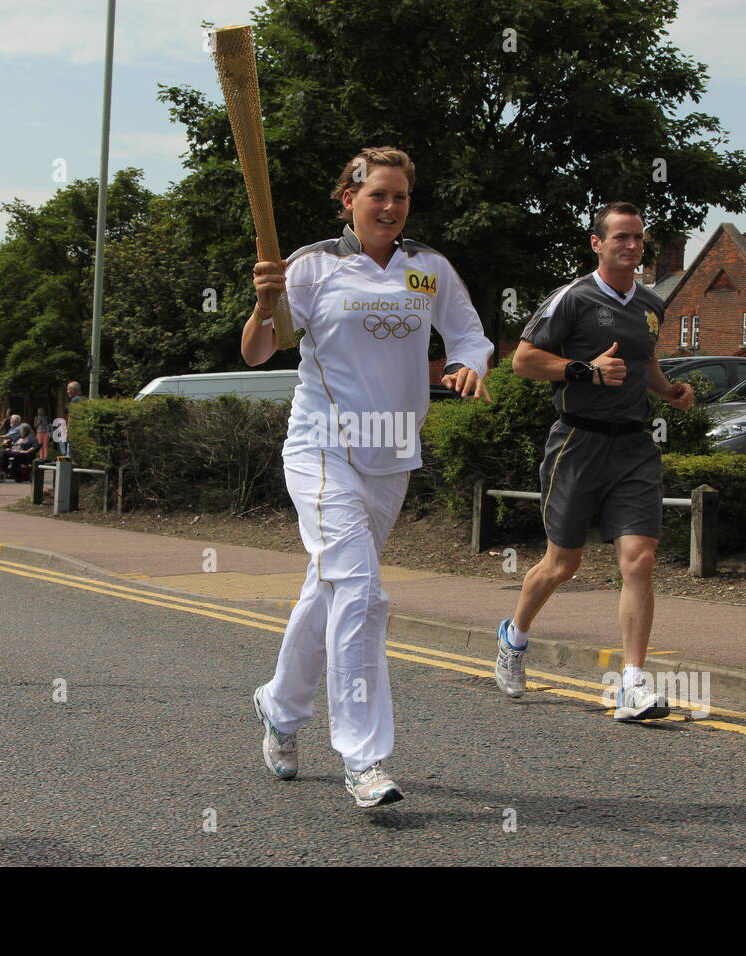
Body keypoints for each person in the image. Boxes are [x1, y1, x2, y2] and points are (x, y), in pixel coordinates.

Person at [246, 146, 492, 808]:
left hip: (392, 454)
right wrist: (266, 302)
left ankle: (279, 708)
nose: (389, 206)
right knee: (362, 590)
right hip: (322, 447)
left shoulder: (427, 269)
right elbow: (260, 347)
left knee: (328, 592)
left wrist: (469, 366)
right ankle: (364, 756)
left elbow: (469, 336)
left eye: (400, 197)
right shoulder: (311, 265)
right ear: (348, 198)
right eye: (376, 194)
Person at [494, 201, 694, 720]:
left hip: (633, 446)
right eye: (621, 237)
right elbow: (522, 360)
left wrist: (668, 389)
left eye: (638, 238)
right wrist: (583, 370)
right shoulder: (573, 298)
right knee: (563, 563)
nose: (632, 246)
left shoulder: (652, 304)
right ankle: (515, 638)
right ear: (597, 244)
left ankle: (632, 684)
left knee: (640, 559)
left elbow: (644, 359)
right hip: (578, 443)